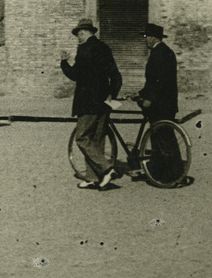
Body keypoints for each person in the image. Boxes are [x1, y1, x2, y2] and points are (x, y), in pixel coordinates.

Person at [61, 19, 122, 189]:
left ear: (88, 32)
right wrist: (112, 95)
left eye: (79, 34)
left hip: (87, 102)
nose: (78, 38)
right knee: (97, 140)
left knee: (81, 137)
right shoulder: (104, 48)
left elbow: (75, 75)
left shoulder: (85, 49)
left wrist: (64, 63)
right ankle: (92, 177)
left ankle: (106, 167)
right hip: (104, 102)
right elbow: (116, 75)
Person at [136, 23, 182, 184]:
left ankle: (172, 175)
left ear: (153, 37)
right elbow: (152, 81)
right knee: (160, 139)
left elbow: (160, 81)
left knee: (164, 140)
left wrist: (150, 99)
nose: (145, 40)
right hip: (165, 103)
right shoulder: (162, 52)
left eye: (146, 37)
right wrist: (140, 93)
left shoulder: (160, 54)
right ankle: (159, 172)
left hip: (161, 105)